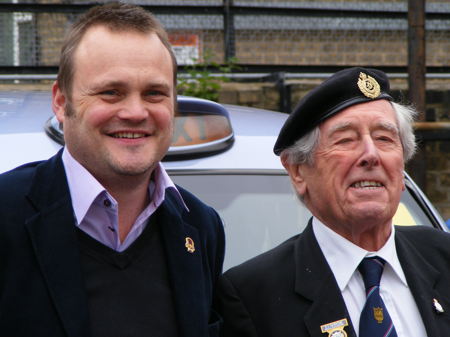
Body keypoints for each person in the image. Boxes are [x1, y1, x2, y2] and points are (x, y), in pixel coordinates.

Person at [0, 3, 224, 337]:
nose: (135, 112)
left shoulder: (200, 227)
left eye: (154, 93)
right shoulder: (6, 214)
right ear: (61, 102)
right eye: (110, 92)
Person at [217, 67, 450, 337]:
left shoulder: (443, 257)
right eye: (346, 140)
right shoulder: (254, 296)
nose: (370, 155)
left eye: (384, 139)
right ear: (297, 171)